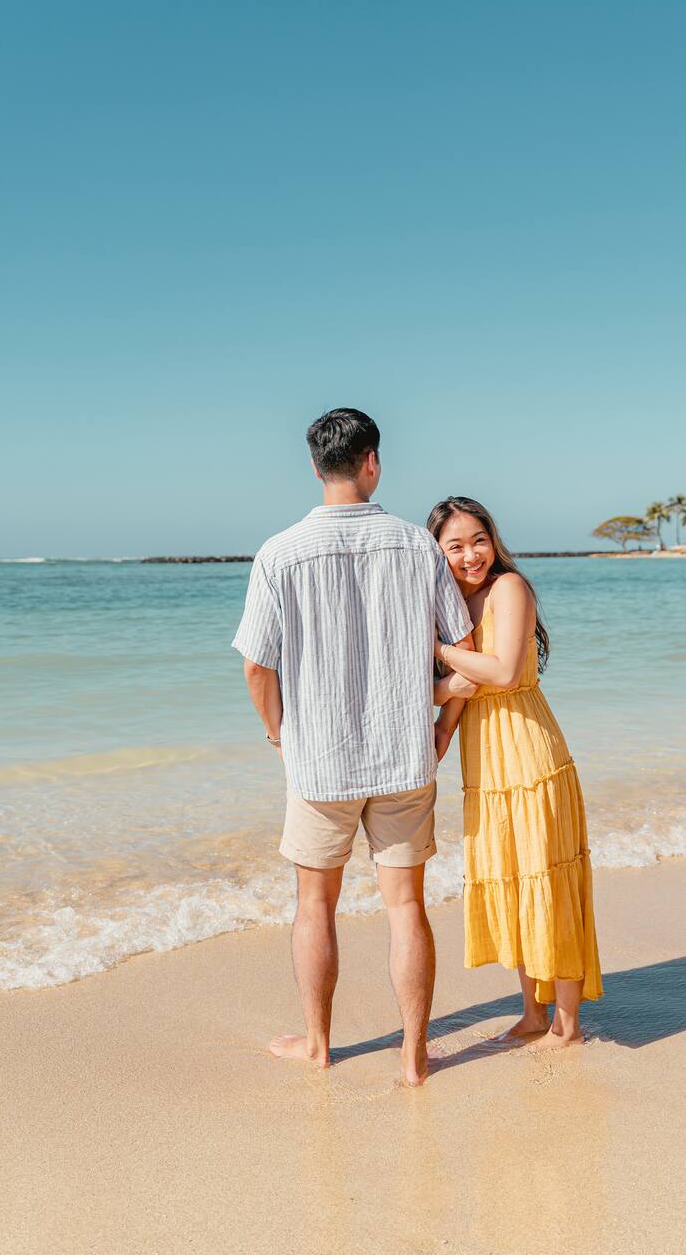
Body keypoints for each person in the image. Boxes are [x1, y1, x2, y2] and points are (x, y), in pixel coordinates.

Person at [234, 409, 473, 1084]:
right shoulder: (414, 545)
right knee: (406, 907)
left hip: (321, 762)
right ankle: (414, 1056)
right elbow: (461, 650)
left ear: (315, 468)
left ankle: (318, 1044)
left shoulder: (278, 552)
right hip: (405, 755)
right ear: (373, 462)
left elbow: (257, 665)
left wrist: (279, 733)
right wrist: (441, 731)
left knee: (315, 904)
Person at [429, 496, 603, 1049]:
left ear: (493, 538)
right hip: (485, 760)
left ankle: (567, 1023)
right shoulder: (455, 603)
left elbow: (501, 672)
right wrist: (439, 729)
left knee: (548, 879)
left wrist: (437, 651)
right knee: (514, 878)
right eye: (454, 546)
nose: (470, 554)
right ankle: (532, 1013)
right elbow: (458, 690)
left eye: (478, 539)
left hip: (528, 752)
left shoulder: (509, 588)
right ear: (437, 553)